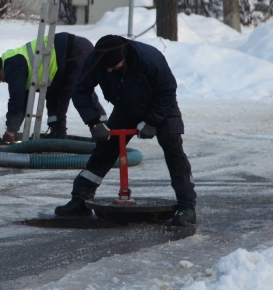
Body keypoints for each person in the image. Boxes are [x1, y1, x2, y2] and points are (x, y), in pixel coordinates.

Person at [55, 34, 197, 226]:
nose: (109, 70)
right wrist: (94, 122)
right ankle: (80, 199)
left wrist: (152, 121)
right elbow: (80, 90)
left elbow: (167, 89)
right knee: (104, 150)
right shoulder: (94, 60)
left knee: (174, 152)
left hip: (162, 107)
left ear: (124, 57)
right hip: (126, 106)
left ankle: (187, 207)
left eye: (114, 66)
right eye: (106, 68)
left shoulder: (149, 58)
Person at [0, 32, 105, 142]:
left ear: (0, 69)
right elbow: (23, 101)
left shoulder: (12, 64)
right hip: (66, 57)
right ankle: (58, 130)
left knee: (80, 91)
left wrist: (11, 131)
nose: (4, 81)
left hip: (74, 50)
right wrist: (13, 128)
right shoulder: (17, 64)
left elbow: (16, 99)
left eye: (1, 78)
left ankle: (102, 128)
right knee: (54, 94)